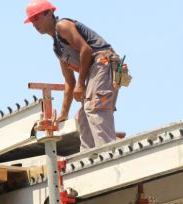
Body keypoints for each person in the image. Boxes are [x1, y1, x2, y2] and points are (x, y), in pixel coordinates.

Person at [25, 0, 127, 151]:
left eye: (36, 18)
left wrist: (81, 84)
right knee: (83, 116)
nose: (34, 24)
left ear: (49, 13)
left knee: (94, 108)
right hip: (94, 69)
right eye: (32, 20)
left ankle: (108, 151)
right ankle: (90, 156)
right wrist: (63, 113)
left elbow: (86, 50)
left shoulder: (62, 26)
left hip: (103, 62)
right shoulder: (58, 49)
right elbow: (69, 82)